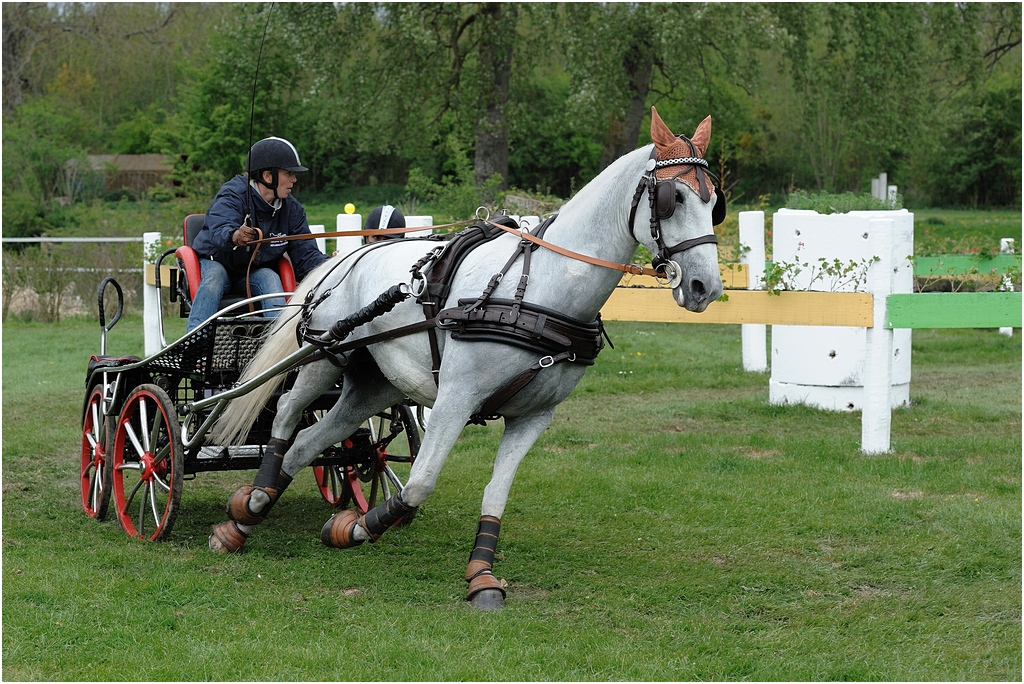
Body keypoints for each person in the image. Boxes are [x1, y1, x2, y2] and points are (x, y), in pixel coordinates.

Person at [186, 137, 328, 332]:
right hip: (218, 263)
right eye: (289, 173)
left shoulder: (292, 209)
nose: (294, 180)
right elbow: (220, 228)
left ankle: (276, 345)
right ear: (268, 176)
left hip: (253, 272)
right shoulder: (232, 194)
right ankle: (195, 343)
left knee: (270, 278)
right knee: (214, 278)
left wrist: (333, 266)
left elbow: (307, 257)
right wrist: (236, 236)